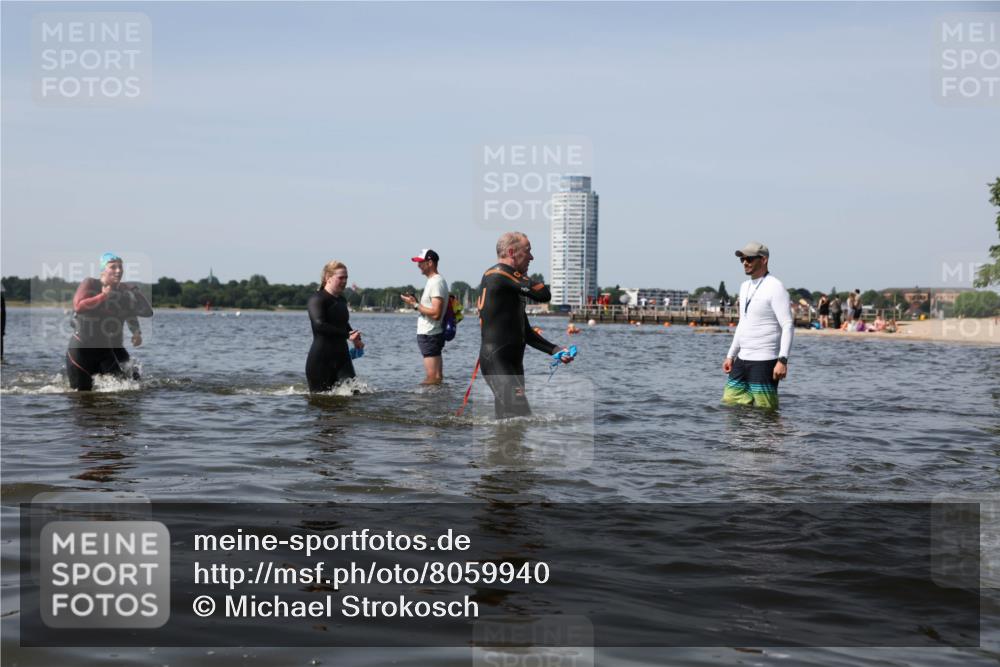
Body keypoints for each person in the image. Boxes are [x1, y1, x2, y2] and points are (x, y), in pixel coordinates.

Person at [477, 232, 572, 419]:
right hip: (496, 359)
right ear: (512, 252)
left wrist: (555, 350)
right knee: (521, 416)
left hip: (513, 363)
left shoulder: (510, 285)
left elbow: (526, 332)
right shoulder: (499, 275)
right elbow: (544, 294)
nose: (531, 257)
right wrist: (524, 278)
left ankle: (501, 448)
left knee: (508, 422)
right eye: (527, 251)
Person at [721, 242, 793, 410]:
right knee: (730, 406)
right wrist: (731, 355)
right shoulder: (744, 286)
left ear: (764, 260)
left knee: (766, 412)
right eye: (742, 259)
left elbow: (787, 325)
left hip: (765, 360)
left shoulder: (776, 287)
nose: (745, 262)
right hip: (742, 360)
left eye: (750, 259)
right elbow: (742, 323)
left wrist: (782, 360)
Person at [65, 252, 153, 390]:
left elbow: (146, 312)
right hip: (81, 350)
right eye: (113, 267)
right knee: (81, 397)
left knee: (132, 385)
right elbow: (78, 306)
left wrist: (135, 291)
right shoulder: (91, 284)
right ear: (103, 270)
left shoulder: (124, 292)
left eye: (120, 267)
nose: (118, 270)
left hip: (107, 349)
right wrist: (104, 296)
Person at [306, 260, 363, 392]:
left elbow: (343, 323)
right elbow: (319, 325)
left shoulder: (341, 300)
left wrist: (355, 338)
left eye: (346, 278)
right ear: (328, 278)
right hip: (321, 360)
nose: (344, 281)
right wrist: (347, 335)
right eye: (340, 278)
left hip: (342, 357)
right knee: (321, 401)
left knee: (355, 395)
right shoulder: (317, 299)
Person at [400, 249, 448, 385]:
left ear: (430, 262)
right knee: (437, 376)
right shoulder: (436, 281)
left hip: (429, 334)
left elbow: (436, 313)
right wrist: (416, 302)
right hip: (433, 334)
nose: (418, 265)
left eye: (421, 262)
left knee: (432, 377)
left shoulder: (435, 282)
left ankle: (425, 402)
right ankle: (436, 403)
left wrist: (415, 304)